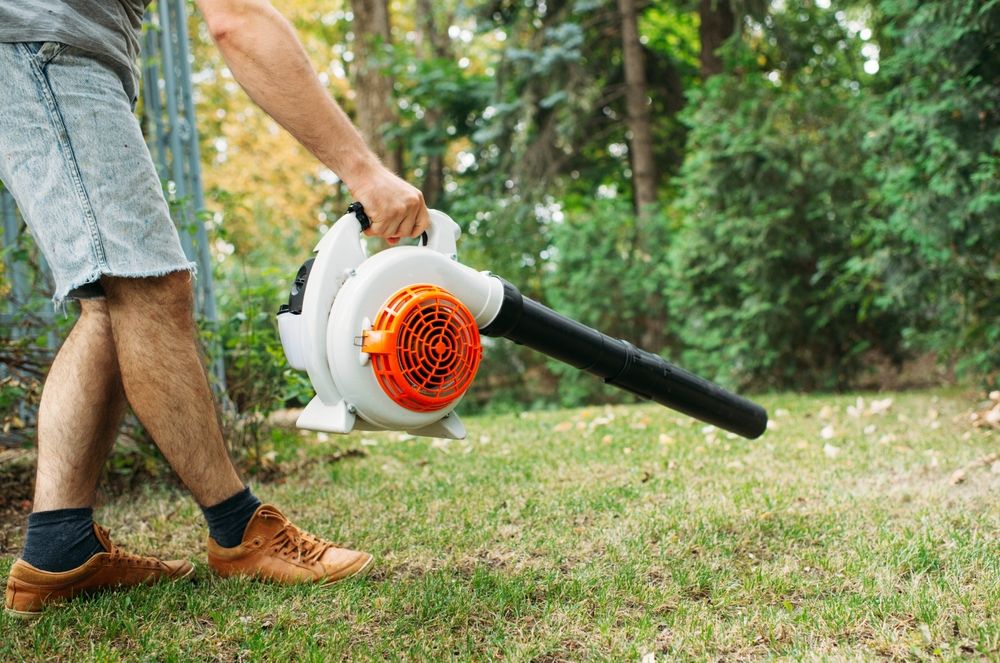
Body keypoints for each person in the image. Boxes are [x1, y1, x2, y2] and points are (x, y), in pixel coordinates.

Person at [0, 0, 430, 618]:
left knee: (110, 302)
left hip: (56, 51)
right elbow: (238, 20)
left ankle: (59, 550)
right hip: (46, 50)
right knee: (151, 289)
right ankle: (239, 531)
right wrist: (364, 172)